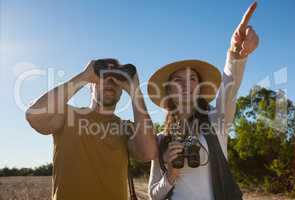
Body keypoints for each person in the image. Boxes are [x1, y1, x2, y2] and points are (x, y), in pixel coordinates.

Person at [147, 2, 259, 200]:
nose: (186, 85)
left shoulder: (216, 121)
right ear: (169, 91)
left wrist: (235, 54)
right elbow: (153, 195)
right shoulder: (161, 139)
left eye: (192, 79)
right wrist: (171, 175)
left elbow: (229, 90)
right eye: (178, 80)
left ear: (199, 87)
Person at [25, 58, 157, 200]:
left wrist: (134, 90)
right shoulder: (67, 115)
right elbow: (35, 116)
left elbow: (148, 153)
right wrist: (84, 76)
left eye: (117, 78)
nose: (110, 82)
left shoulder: (127, 127)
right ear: (90, 85)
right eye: (103, 77)